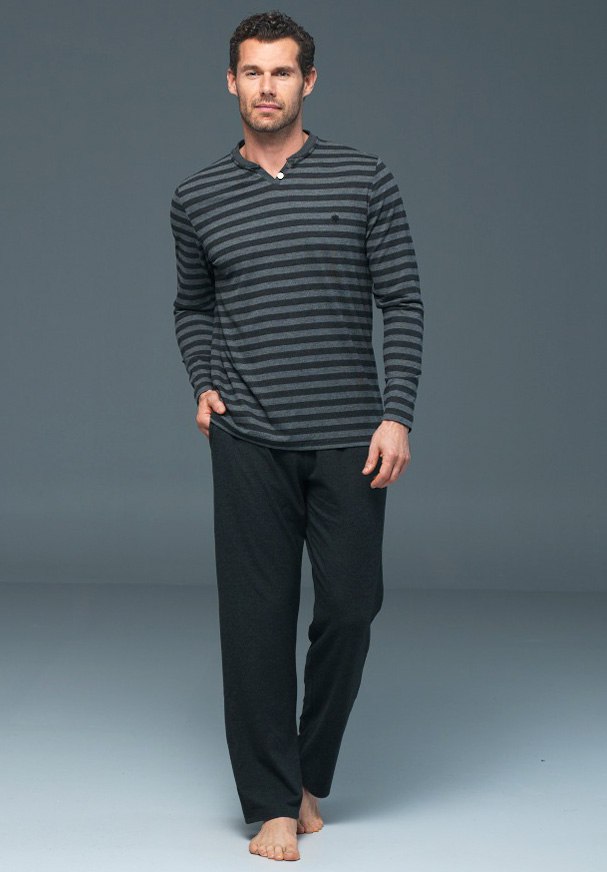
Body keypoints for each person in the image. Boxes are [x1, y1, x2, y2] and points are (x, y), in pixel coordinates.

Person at [170, 10, 424, 862]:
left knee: (351, 607)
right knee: (255, 623)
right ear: (230, 82)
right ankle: (272, 803)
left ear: (307, 82)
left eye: (282, 72)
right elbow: (192, 305)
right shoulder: (197, 196)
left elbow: (403, 301)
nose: (267, 87)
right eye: (252, 72)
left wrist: (397, 412)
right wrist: (203, 380)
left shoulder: (364, 178)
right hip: (246, 436)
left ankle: (309, 771)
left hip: (350, 436)